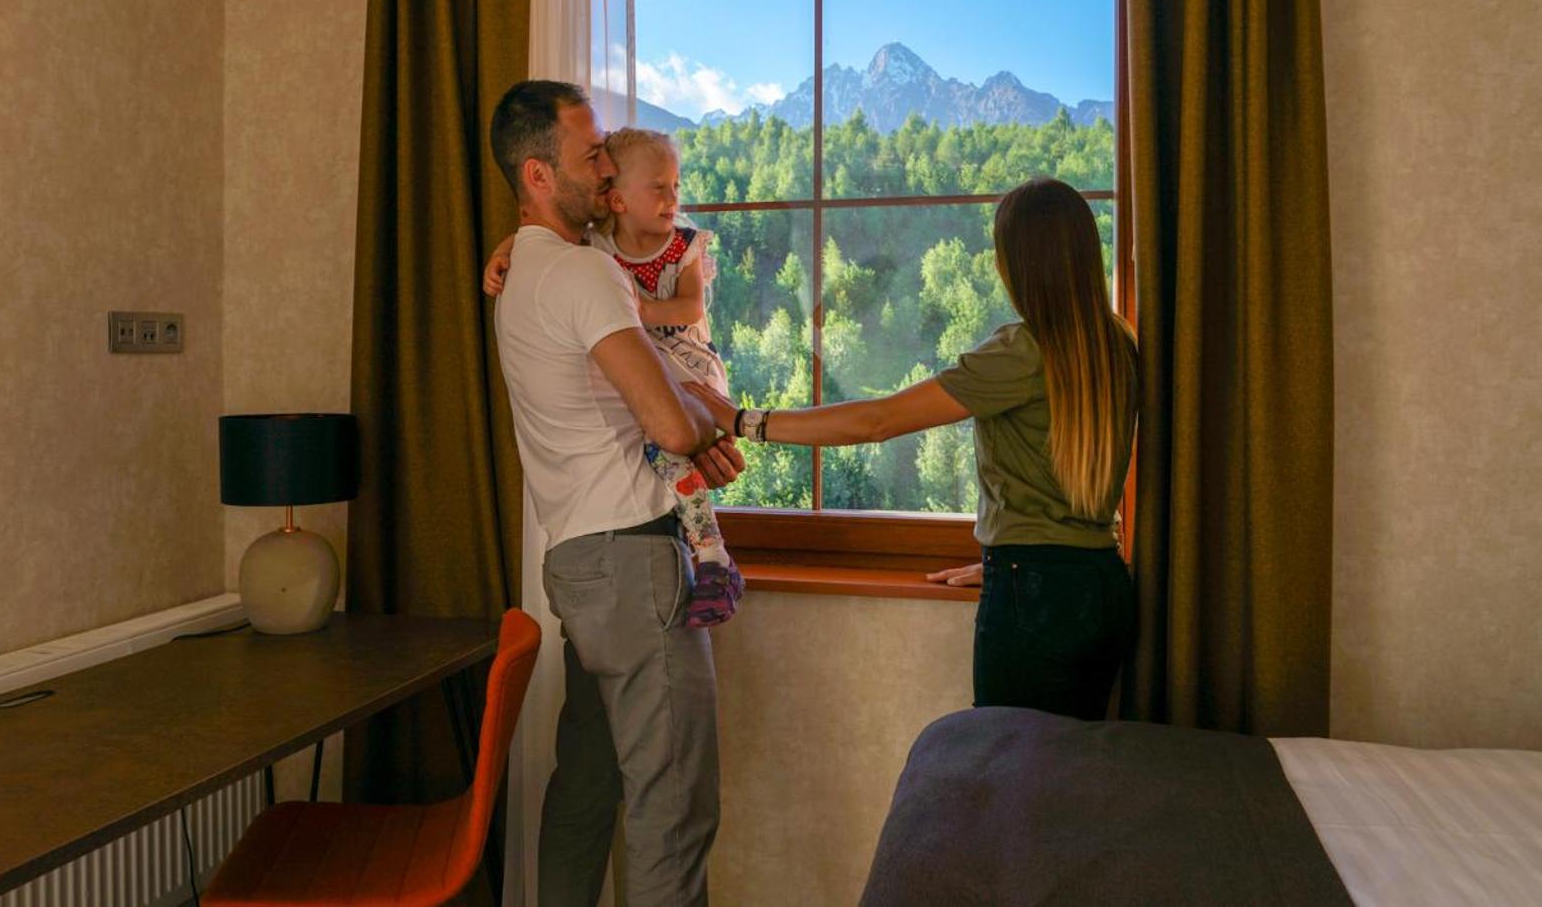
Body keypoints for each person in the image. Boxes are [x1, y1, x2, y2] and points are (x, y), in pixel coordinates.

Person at [687, 177, 1139, 719]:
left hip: (1036, 593)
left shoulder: (1022, 351)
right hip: (1099, 584)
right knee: (1075, 756)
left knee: (1009, 756)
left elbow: (878, 421)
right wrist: (1009, 562)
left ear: (1017, 265)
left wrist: (745, 421)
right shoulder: (1116, 342)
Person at [487, 80, 743, 905]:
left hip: (579, 566)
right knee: (673, 809)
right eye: (591, 153)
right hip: (633, 565)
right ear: (537, 175)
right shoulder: (584, 274)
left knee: (587, 787)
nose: (606, 168)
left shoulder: (523, 274)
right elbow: (670, 425)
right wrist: (709, 422)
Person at [484, 126, 743, 627]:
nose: (672, 198)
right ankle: (712, 552)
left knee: (673, 442)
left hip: (687, 366)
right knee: (667, 455)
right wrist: (507, 246)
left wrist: (636, 310)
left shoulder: (684, 246)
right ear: (618, 201)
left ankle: (713, 556)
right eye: (659, 187)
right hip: (651, 381)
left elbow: (691, 308)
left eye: (675, 186)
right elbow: (539, 233)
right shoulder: (594, 249)